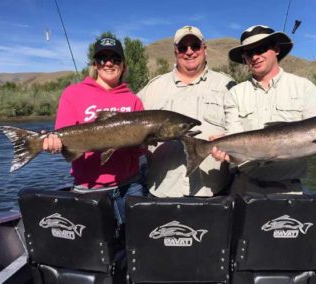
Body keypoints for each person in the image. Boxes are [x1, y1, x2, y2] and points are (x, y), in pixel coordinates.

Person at [211, 25, 316, 194]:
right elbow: (234, 135)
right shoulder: (235, 93)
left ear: (277, 49)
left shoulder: (304, 88)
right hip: (243, 188)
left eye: (261, 49)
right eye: (249, 53)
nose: (255, 57)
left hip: (289, 189)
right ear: (245, 58)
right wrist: (226, 151)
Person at [43, 36, 146, 224]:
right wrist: (54, 144)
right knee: (94, 251)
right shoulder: (73, 93)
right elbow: (64, 137)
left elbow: (139, 150)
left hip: (130, 186)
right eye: (102, 58)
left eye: (115, 59)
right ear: (95, 64)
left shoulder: (133, 100)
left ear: (123, 65)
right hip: (88, 189)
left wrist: (145, 142)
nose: (108, 63)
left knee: (134, 245)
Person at [137, 25, 237, 198]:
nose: (189, 52)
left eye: (195, 46)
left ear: (205, 49)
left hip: (214, 191)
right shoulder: (153, 88)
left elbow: (243, 132)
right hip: (162, 191)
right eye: (183, 48)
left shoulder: (228, 86)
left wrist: (230, 145)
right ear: (176, 52)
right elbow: (126, 124)